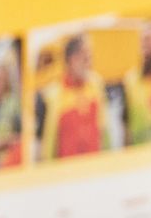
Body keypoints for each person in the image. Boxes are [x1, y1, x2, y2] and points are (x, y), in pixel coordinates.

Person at [38, 33, 120, 162]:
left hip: (95, 167)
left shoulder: (96, 84)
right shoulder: (53, 94)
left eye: (90, 57)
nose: (89, 63)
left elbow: (105, 129)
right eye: (86, 58)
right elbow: (48, 144)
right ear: (72, 59)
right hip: (68, 172)